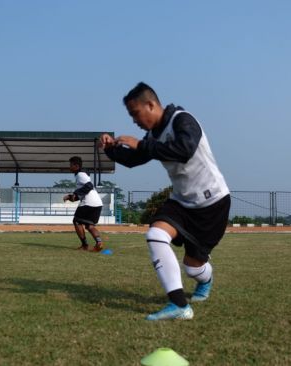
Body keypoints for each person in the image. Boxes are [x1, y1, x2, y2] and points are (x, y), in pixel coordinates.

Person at [100, 82, 231, 321]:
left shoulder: (183, 120)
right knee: (155, 235)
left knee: (193, 268)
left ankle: (206, 279)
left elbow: (184, 150)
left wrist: (141, 144)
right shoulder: (153, 135)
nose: (134, 121)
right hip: (181, 202)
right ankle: (179, 305)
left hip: (212, 204)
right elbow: (134, 159)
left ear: (151, 105)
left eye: (135, 114)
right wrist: (110, 150)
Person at [63, 156, 105, 252]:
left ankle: (84, 245)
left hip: (89, 203)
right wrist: (70, 197)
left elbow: (89, 186)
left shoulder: (80, 174)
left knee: (77, 221)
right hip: (97, 203)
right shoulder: (81, 175)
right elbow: (81, 193)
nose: (69, 167)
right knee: (90, 226)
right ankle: (99, 243)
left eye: (71, 165)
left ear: (76, 166)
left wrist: (76, 193)